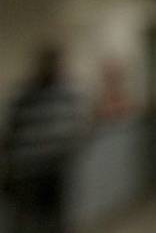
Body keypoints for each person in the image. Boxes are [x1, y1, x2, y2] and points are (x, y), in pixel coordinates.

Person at [2, 46, 89, 233]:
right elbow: (10, 132)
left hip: (55, 169)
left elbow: (78, 126)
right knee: (27, 219)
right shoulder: (24, 95)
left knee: (55, 219)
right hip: (27, 170)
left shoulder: (66, 93)